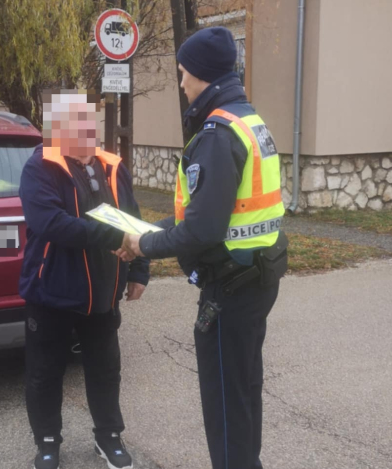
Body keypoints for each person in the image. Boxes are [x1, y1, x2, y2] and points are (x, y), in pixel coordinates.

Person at [116, 27, 287, 469]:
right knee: (245, 392)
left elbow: (203, 230)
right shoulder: (249, 120)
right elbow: (215, 215)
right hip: (256, 278)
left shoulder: (217, 134)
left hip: (229, 288)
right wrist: (147, 231)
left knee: (227, 405)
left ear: (203, 76)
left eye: (183, 72)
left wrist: (142, 244)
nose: (181, 82)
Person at [19, 89, 149, 469]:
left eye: (89, 122)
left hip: (104, 293)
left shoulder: (111, 165)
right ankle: (46, 443)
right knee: (45, 373)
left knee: (105, 369)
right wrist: (115, 238)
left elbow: (132, 216)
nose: (86, 130)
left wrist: (139, 269)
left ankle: (108, 437)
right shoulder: (40, 167)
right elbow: (53, 224)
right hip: (51, 292)